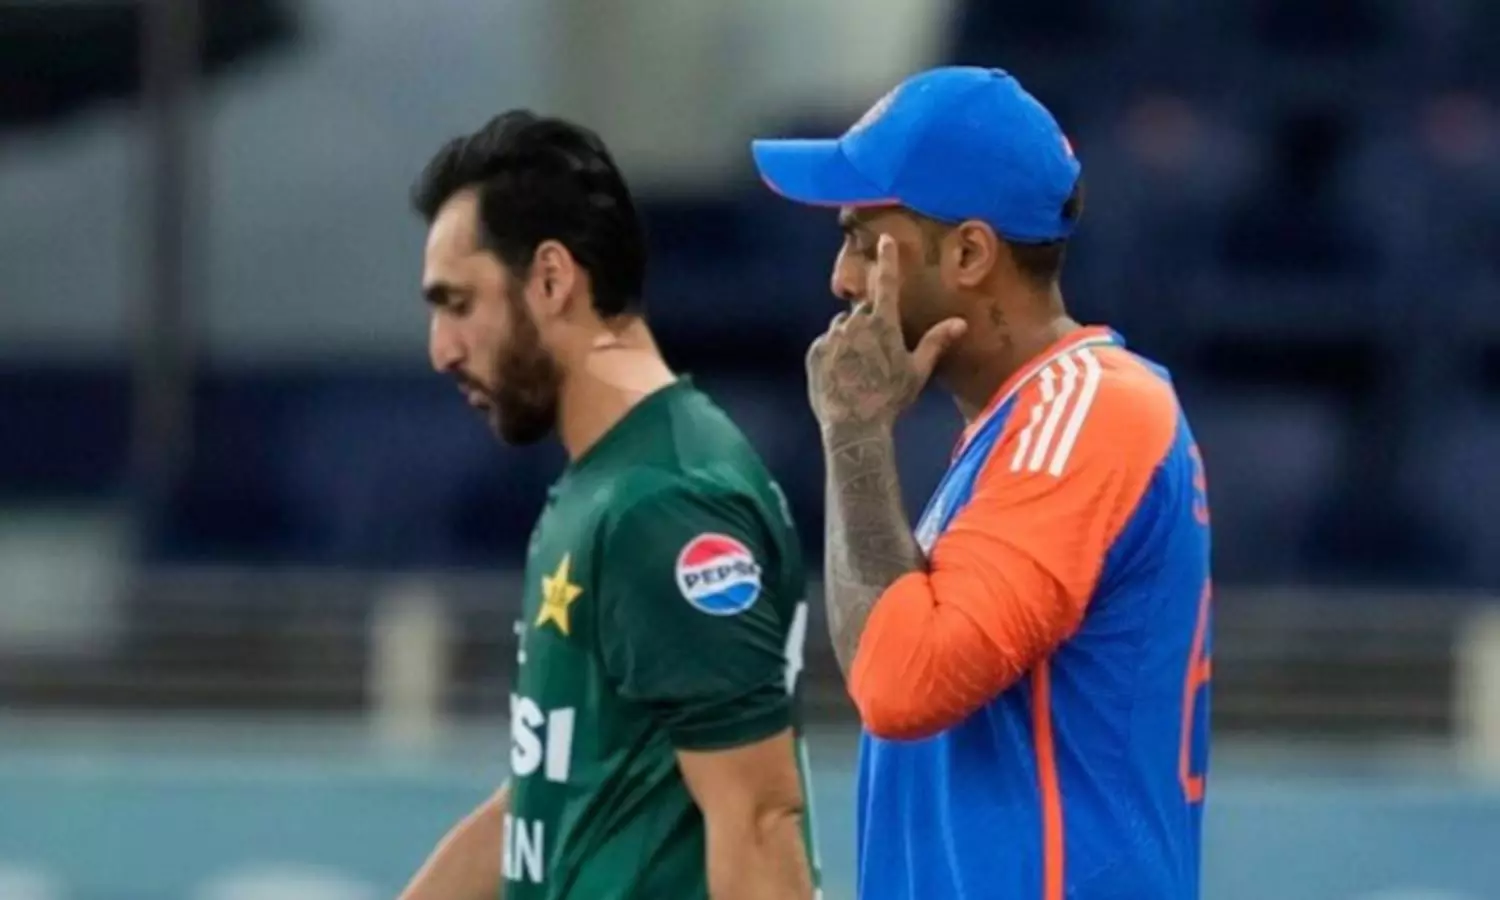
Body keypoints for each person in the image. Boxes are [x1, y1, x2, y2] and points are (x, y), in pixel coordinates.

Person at [751, 66, 1213, 899]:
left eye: (862, 240)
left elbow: (901, 683)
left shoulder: (1092, 410)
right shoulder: (1019, 428)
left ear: (968, 252)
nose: (841, 280)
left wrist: (854, 432)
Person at [398, 110, 819, 900]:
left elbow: (759, 822)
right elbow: (554, 798)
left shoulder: (667, 503)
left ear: (552, 279)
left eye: (458, 304)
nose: (441, 348)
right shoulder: (609, 483)